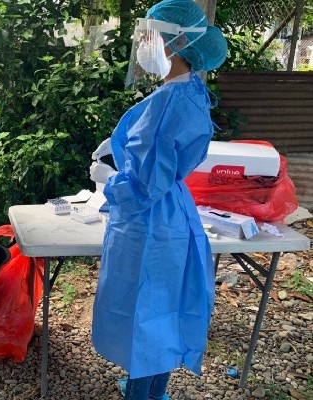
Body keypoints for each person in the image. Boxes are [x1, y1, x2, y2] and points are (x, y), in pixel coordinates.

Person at [89, 1, 228, 399]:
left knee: (143, 310)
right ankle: (153, 389)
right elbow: (166, 159)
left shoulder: (168, 103)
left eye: (149, 36)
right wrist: (126, 145)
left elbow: (143, 186)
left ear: (175, 42)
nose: (143, 45)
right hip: (173, 212)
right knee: (164, 309)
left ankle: (141, 393)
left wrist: (110, 179)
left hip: (149, 219)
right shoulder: (191, 90)